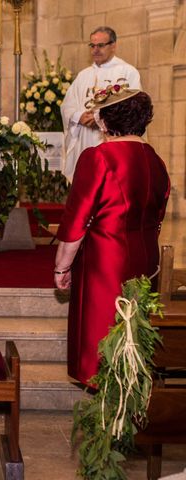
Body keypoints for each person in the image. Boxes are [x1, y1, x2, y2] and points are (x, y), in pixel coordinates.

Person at [54, 87, 170, 386]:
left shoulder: (98, 157)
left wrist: (62, 266)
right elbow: (158, 216)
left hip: (107, 261)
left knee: (105, 336)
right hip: (146, 259)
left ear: (104, 122)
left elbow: (76, 221)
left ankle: (109, 411)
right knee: (134, 333)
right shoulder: (156, 160)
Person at [60, 26, 141, 181]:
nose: (95, 50)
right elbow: (66, 106)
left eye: (100, 45)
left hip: (114, 141)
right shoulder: (83, 75)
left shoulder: (127, 72)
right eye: (92, 45)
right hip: (85, 139)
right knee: (87, 182)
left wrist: (99, 117)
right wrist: (79, 116)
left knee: (109, 183)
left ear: (113, 45)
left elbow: (134, 107)